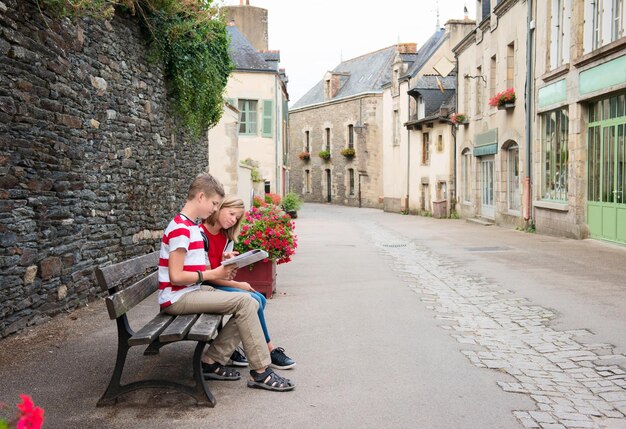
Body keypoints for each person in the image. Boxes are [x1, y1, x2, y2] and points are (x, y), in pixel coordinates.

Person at [158, 173, 295, 392]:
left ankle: (211, 361)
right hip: (177, 297)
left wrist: (222, 264)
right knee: (246, 303)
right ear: (201, 197)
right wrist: (214, 274)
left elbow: (196, 268)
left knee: (250, 302)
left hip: (190, 291)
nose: (213, 209)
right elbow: (176, 276)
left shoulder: (190, 226)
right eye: (213, 204)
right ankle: (261, 371)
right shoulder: (181, 229)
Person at [201, 196, 296, 370]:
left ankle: (233, 349)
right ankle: (269, 349)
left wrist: (229, 263)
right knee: (254, 301)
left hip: (217, 282)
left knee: (260, 298)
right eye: (231, 214)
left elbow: (221, 270)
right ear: (220, 207)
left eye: (236, 218)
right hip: (205, 286)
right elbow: (207, 276)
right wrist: (238, 284)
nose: (232, 220)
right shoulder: (201, 233)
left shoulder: (226, 237)